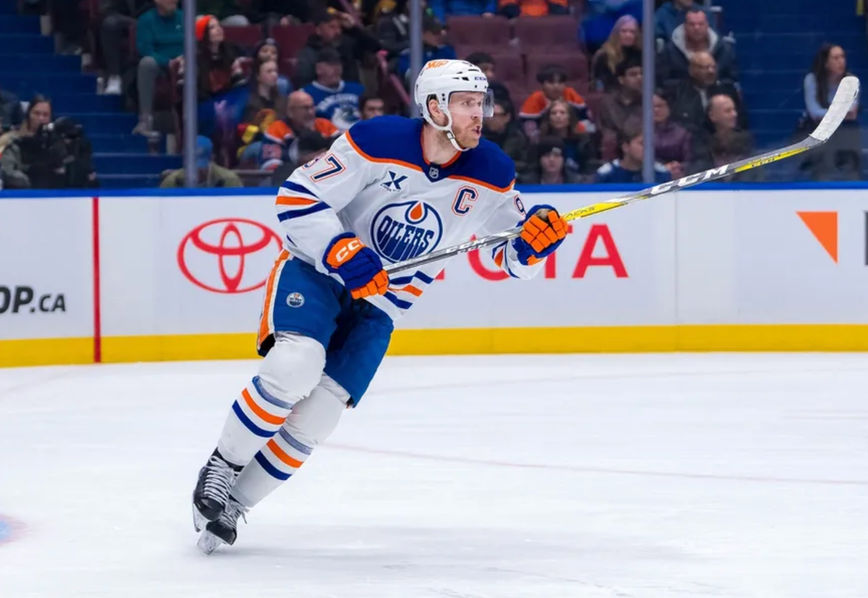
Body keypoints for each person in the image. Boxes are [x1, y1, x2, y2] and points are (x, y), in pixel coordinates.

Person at [190, 59, 569, 554]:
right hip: (318, 272)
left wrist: (534, 244)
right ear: (435, 107)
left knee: (320, 416)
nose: (481, 115)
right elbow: (298, 197)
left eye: (482, 104)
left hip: (384, 305)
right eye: (467, 104)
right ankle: (221, 467)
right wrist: (341, 249)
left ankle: (235, 505)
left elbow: (510, 256)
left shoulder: (493, 171)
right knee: (295, 365)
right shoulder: (377, 140)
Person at [800, 43, 861, 181]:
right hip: (819, 131)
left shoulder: (851, 81)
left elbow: (852, 112)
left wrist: (828, 114)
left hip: (844, 131)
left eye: (843, 57)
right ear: (826, 63)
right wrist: (840, 113)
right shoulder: (812, 79)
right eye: (836, 58)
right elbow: (814, 112)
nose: (841, 61)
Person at [134, 0, 184, 136]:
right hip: (161, 65)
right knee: (146, 63)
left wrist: (183, 59)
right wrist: (168, 62)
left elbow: (194, 44)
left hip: (184, 63)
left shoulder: (184, 17)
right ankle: (145, 120)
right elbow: (146, 49)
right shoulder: (146, 20)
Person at [595, 124, 671, 184]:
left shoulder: (661, 173)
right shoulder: (606, 175)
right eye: (642, 143)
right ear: (625, 147)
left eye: (651, 143)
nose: (648, 148)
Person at [160, 135, 243, 187]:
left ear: (212, 159)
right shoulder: (172, 182)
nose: (197, 171)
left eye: (201, 166)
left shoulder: (229, 180)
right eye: (192, 166)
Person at [589, 14, 641, 92]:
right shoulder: (603, 55)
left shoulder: (640, 54)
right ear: (616, 33)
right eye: (624, 31)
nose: (628, 35)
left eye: (632, 32)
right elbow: (598, 83)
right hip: (612, 96)